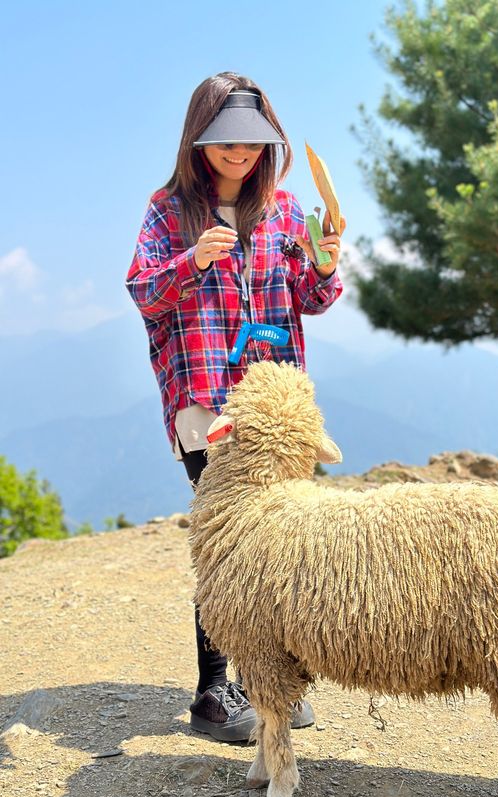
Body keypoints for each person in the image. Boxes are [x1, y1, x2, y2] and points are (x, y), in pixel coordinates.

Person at [126, 72, 345, 741]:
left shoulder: (284, 209)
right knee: (226, 546)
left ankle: (269, 682)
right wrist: (191, 261)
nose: (241, 154)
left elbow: (311, 299)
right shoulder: (169, 211)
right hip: (205, 402)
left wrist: (327, 264)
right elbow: (142, 292)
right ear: (199, 139)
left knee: (280, 542)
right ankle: (213, 693)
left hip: (276, 410)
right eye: (226, 142)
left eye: (252, 143)